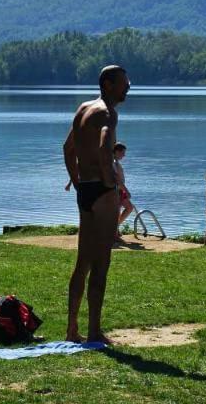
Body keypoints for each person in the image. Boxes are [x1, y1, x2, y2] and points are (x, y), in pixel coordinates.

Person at [62, 65, 130, 344]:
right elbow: (104, 147)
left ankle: (72, 329)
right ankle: (94, 332)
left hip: (86, 188)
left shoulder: (83, 108)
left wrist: (77, 181)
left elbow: (68, 148)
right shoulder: (107, 113)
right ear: (108, 84)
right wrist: (110, 181)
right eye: (124, 83)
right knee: (101, 262)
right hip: (102, 191)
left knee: (82, 262)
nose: (128, 87)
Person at [114, 143, 134, 241]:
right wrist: (127, 190)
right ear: (117, 151)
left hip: (120, 190)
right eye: (122, 153)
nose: (124, 155)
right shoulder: (113, 163)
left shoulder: (116, 162)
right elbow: (117, 179)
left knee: (129, 207)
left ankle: (115, 228)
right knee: (117, 211)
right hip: (116, 190)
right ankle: (114, 234)